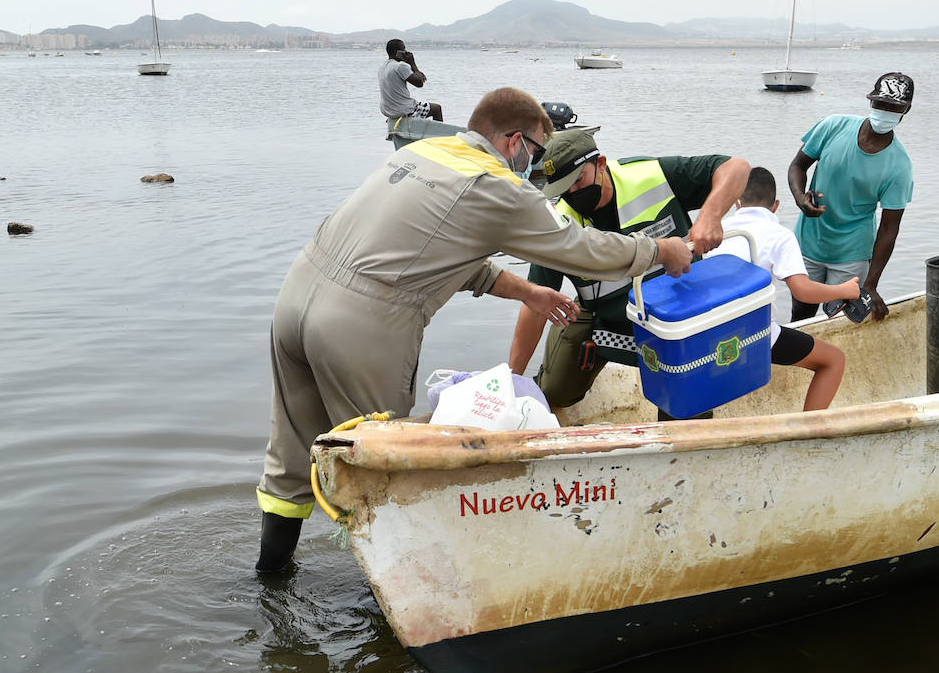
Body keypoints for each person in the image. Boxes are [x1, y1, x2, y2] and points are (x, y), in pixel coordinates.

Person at [256, 87, 694, 572]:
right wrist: (658, 251)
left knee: (292, 455)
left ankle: (271, 576)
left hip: (296, 297)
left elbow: (429, 254)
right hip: (359, 325)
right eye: (538, 152)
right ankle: (396, 603)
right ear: (514, 141)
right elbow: (581, 250)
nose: (537, 166)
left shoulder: (423, 152)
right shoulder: (498, 186)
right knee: (383, 470)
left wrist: (525, 292)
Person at [508, 129, 750, 413]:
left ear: (600, 164)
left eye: (578, 181)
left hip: (676, 318)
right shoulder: (559, 222)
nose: (573, 194)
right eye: (563, 189)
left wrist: (710, 216)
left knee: (684, 395)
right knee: (554, 392)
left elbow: (737, 167)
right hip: (607, 324)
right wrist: (511, 380)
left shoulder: (651, 176)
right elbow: (534, 304)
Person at [707, 167, 859, 411]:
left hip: (709, 332)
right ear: (776, 205)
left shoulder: (714, 230)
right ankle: (808, 430)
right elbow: (803, 292)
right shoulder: (779, 235)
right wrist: (845, 290)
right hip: (755, 335)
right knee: (834, 360)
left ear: (736, 202)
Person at [787, 71, 915, 323]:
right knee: (801, 317)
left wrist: (871, 283)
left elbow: (890, 228)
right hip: (808, 243)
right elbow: (798, 166)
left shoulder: (899, 165)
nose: (884, 111)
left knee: (839, 323)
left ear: (906, 110)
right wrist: (800, 197)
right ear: (871, 101)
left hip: (852, 255)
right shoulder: (833, 126)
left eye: (893, 107)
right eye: (880, 104)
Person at [378, 38, 443, 122]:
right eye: (404, 49)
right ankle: (439, 134)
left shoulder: (383, 67)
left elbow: (417, 77)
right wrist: (412, 63)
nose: (406, 52)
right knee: (436, 109)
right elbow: (419, 83)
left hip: (388, 111)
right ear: (397, 52)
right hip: (404, 110)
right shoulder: (400, 66)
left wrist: (416, 72)